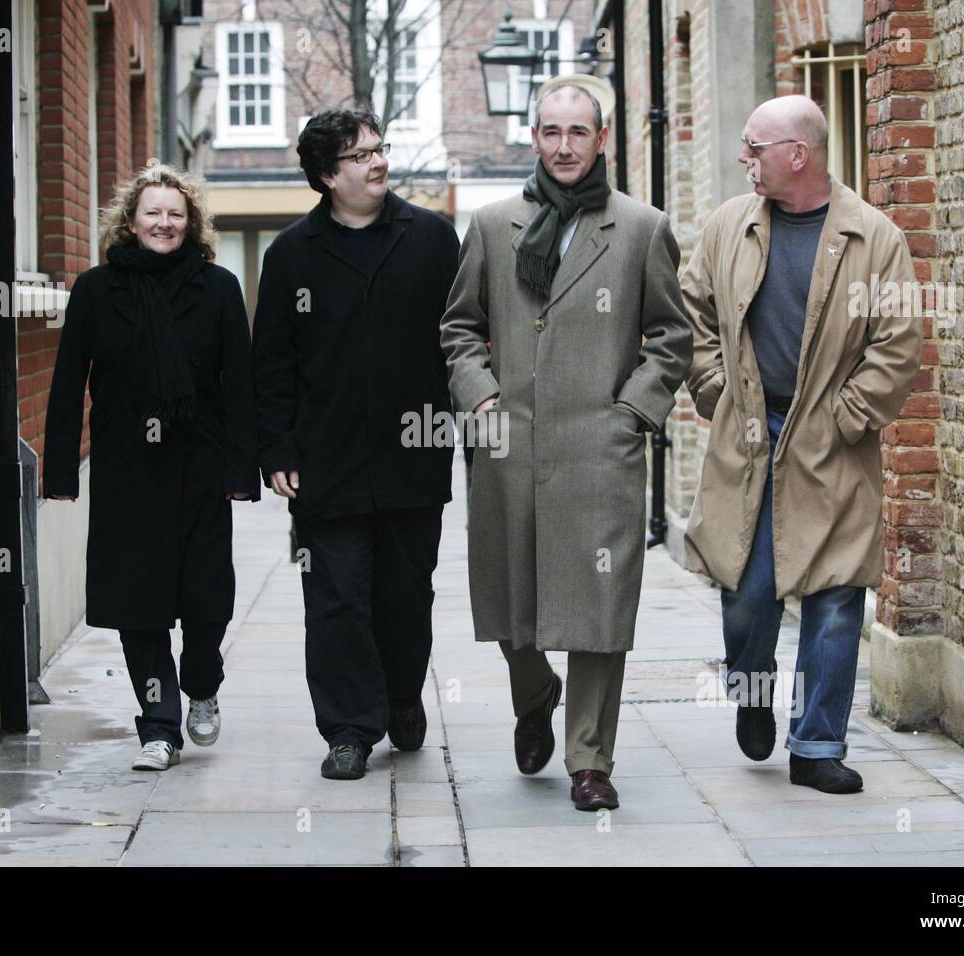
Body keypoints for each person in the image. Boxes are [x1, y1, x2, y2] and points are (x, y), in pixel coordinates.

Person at [441, 80, 693, 811]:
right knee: (512, 599)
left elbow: (672, 337)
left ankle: (590, 760)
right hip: (509, 448)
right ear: (533, 136)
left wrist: (632, 414)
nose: (563, 146)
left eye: (577, 132)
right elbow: (458, 326)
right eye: (550, 131)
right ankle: (534, 693)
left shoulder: (641, 228)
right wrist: (480, 395)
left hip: (599, 452)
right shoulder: (492, 225)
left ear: (602, 138)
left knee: (599, 606)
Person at [681, 95, 922, 793]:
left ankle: (817, 745)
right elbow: (692, 310)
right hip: (751, 432)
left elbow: (898, 342)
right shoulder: (731, 225)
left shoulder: (873, 238)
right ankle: (754, 691)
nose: (742, 159)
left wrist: (848, 416)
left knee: (836, 593)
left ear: (798, 154)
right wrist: (716, 389)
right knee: (745, 589)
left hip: (831, 440)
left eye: (755, 147)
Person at [253, 110, 459, 781]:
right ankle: (347, 728)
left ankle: (402, 697)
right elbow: (273, 365)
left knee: (406, 596)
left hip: (413, 459)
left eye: (380, 149)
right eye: (360, 155)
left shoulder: (431, 240)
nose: (378, 163)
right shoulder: (290, 256)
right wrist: (278, 448)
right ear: (325, 176)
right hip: (325, 464)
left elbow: (462, 340)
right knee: (336, 599)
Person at [44, 162, 260, 772]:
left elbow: (238, 385)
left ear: (190, 224)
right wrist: (60, 470)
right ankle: (159, 726)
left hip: (201, 467)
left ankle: (203, 683)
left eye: (175, 213)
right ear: (130, 222)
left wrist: (245, 471)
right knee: (138, 606)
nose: (163, 223)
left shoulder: (216, 288)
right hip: (126, 470)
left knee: (206, 598)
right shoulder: (95, 290)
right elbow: (68, 383)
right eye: (152, 213)